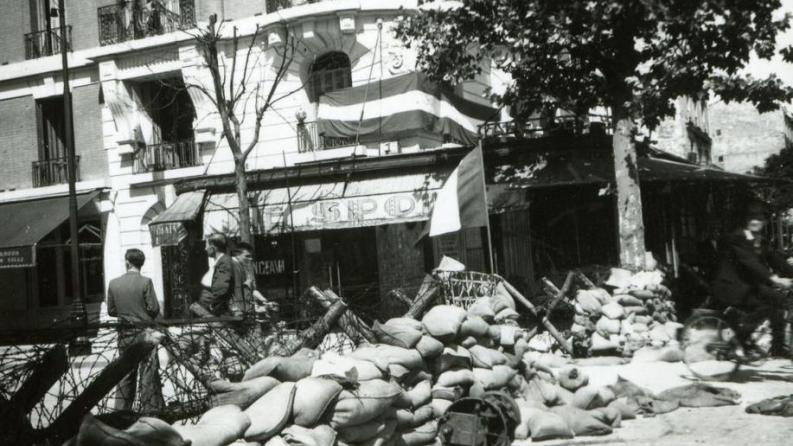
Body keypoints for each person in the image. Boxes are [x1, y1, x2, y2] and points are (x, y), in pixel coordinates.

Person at [711, 201, 793, 357]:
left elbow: (777, 261)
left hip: (747, 286)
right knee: (766, 305)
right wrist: (775, 279)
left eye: (759, 218)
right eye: (751, 218)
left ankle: (778, 346)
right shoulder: (737, 238)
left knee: (780, 300)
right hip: (730, 286)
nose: (755, 221)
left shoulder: (760, 240)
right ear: (746, 220)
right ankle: (739, 339)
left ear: (765, 222)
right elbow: (750, 262)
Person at [106, 248, 161, 411]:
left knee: (125, 373)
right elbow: (154, 309)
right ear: (141, 264)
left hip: (124, 334)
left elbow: (111, 310)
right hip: (145, 333)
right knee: (148, 373)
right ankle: (149, 410)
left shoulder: (114, 283)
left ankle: (121, 411)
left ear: (127, 262)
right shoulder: (145, 282)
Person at [231, 242, 277, 317]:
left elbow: (251, 289)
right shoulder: (232, 266)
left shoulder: (244, 267)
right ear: (237, 255)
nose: (250, 259)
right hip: (236, 311)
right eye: (247, 256)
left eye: (251, 256)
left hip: (245, 309)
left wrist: (264, 300)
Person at [198, 233, 235, 316]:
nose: (205, 248)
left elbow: (221, 287)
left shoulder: (225, 262)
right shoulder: (219, 261)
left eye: (207, 246)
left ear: (213, 247)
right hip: (208, 302)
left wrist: (213, 303)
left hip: (212, 304)